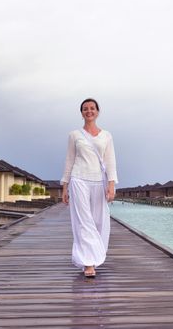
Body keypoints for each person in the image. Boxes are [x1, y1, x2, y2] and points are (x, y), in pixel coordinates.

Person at [61, 98, 118, 278]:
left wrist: (111, 185)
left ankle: (94, 254)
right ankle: (88, 263)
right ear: (82, 113)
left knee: (98, 221)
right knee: (84, 221)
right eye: (85, 109)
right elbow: (69, 161)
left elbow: (110, 162)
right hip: (79, 180)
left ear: (98, 112)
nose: (89, 111)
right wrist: (64, 187)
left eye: (92, 108)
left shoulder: (106, 135)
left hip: (98, 181)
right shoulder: (74, 135)